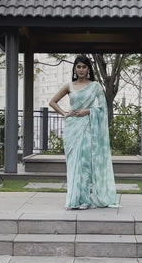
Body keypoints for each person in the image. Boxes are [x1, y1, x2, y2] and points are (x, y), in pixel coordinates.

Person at [49, 54, 117, 209]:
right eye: (78, 66)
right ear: (75, 68)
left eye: (84, 67)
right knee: (73, 164)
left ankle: (85, 199)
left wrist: (88, 111)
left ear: (88, 69)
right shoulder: (69, 86)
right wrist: (65, 113)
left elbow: (102, 108)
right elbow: (52, 102)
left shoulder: (95, 86)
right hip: (72, 128)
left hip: (87, 126)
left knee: (85, 163)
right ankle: (74, 200)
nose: (81, 69)